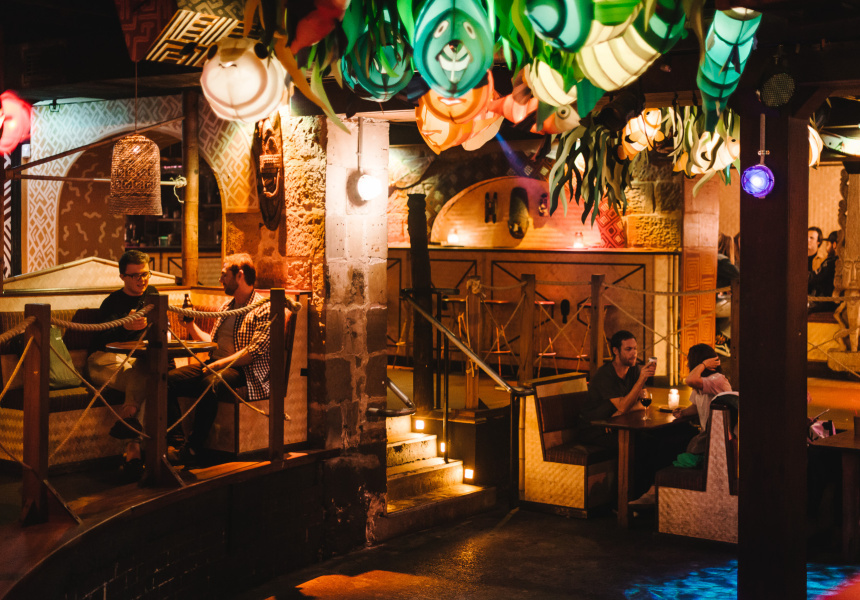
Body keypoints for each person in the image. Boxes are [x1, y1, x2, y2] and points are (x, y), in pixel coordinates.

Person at [167, 253, 271, 465]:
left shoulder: (263, 308)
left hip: (244, 372)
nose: (220, 279)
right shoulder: (226, 307)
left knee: (210, 383)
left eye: (224, 275)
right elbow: (212, 343)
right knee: (166, 380)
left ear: (240, 275)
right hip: (215, 365)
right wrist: (190, 326)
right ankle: (177, 444)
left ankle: (194, 449)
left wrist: (217, 364)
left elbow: (251, 353)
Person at [581, 330, 694, 506]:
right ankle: (627, 501)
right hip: (597, 429)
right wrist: (640, 381)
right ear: (615, 351)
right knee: (644, 445)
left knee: (679, 434)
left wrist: (620, 413)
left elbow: (643, 403)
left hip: (617, 423)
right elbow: (624, 405)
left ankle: (657, 492)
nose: (634, 353)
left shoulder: (633, 370)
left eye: (635, 348)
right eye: (628, 349)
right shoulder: (606, 375)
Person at [87, 250, 162, 479]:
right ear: (122, 277)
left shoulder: (153, 295)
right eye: (135, 275)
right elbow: (100, 340)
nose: (142, 280)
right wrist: (125, 327)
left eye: (145, 274)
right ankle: (147, 446)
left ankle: (132, 446)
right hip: (103, 360)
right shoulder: (112, 303)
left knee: (145, 373)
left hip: (135, 362)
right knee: (145, 378)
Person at [671, 344, 733, 462]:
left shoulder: (717, 379)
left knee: (676, 447)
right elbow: (696, 406)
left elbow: (690, 380)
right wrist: (683, 412)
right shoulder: (702, 383)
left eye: (689, 361)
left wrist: (704, 364)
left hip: (719, 440)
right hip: (707, 436)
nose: (687, 365)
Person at [809, 230, 838, 313]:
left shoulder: (830, 262)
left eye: (828, 244)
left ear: (834, 245)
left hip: (826, 302)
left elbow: (816, 278)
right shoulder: (837, 261)